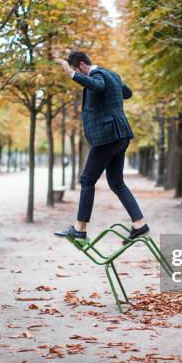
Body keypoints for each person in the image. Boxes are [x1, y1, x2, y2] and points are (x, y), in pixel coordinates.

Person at [53, 51, 149, 241]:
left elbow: (97, 86)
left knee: (87, 180)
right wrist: (115, 84)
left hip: (108, 136)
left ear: (81, 66)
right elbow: (127, 93)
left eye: (75, 69)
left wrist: (70, 74)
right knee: (116, 182)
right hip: (121, 135)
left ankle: (80, 228)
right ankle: (139, 224)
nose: (75, 72)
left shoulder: (97, 76)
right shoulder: (112, 74)